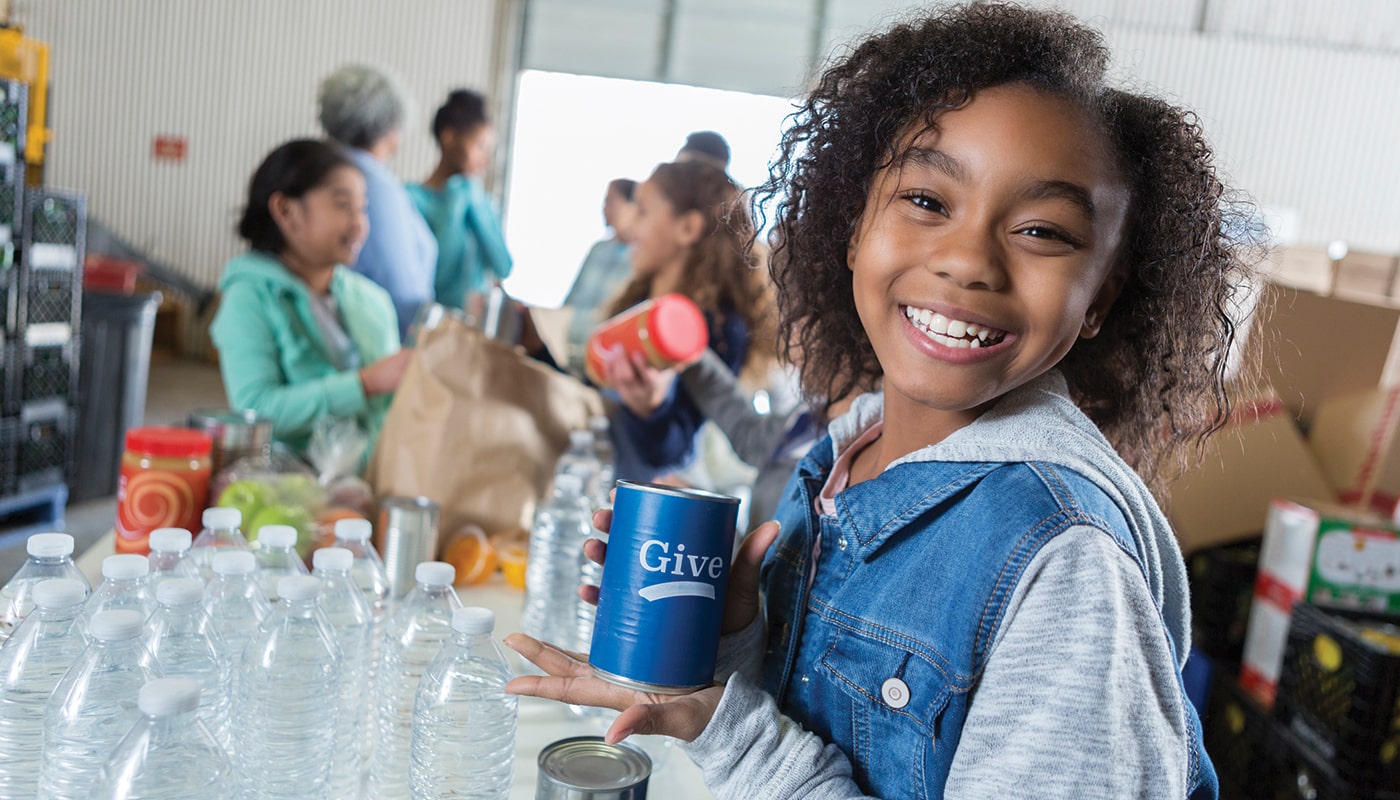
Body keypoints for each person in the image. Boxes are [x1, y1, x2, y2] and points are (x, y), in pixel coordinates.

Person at [504, 4, 1267, 799]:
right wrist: (732, 650)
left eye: (1042, 231)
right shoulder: (845, 456)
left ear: (1100, 298)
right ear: (852, 225)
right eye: (928, 202)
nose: (969, 262)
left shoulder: (1069, 569)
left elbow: (771, 761)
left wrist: (739, 742)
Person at [211, 139, 411, 459]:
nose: (359, 224)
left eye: (362, 207)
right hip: (291, 487)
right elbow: (256, 409)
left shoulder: (371, 300)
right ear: (286, 211)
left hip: (377, 479)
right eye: (343, 205)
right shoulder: (248, 298)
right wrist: (364, 384)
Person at [594, 159, 774, 483]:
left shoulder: (717, 327)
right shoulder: (635, 304)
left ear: (687, 228)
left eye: (643, 211)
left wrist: (651, 409)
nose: (630, 223)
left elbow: (674, 450)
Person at [318, 63, 437, 340]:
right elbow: (400, 286)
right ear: (392, 130)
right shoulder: (374, 185)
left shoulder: (319, 168)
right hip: (380, 345)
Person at [407, 88, 513, 310]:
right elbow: (437, 277)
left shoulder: (482, 203)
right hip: (430, 329)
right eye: (479, 146)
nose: (485, 160)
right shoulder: (413, 200)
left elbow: (503, 266)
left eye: (489, 151)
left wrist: (475, 202)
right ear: (449, 138)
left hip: (475, 330)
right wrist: (455, 205)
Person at [562, 177, 638, 371]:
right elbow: (570, 302)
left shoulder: (641, 259)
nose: (604, 208)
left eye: (611, 201)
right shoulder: (598, 250)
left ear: (632, 206)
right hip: (566, 351)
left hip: (605, 362)